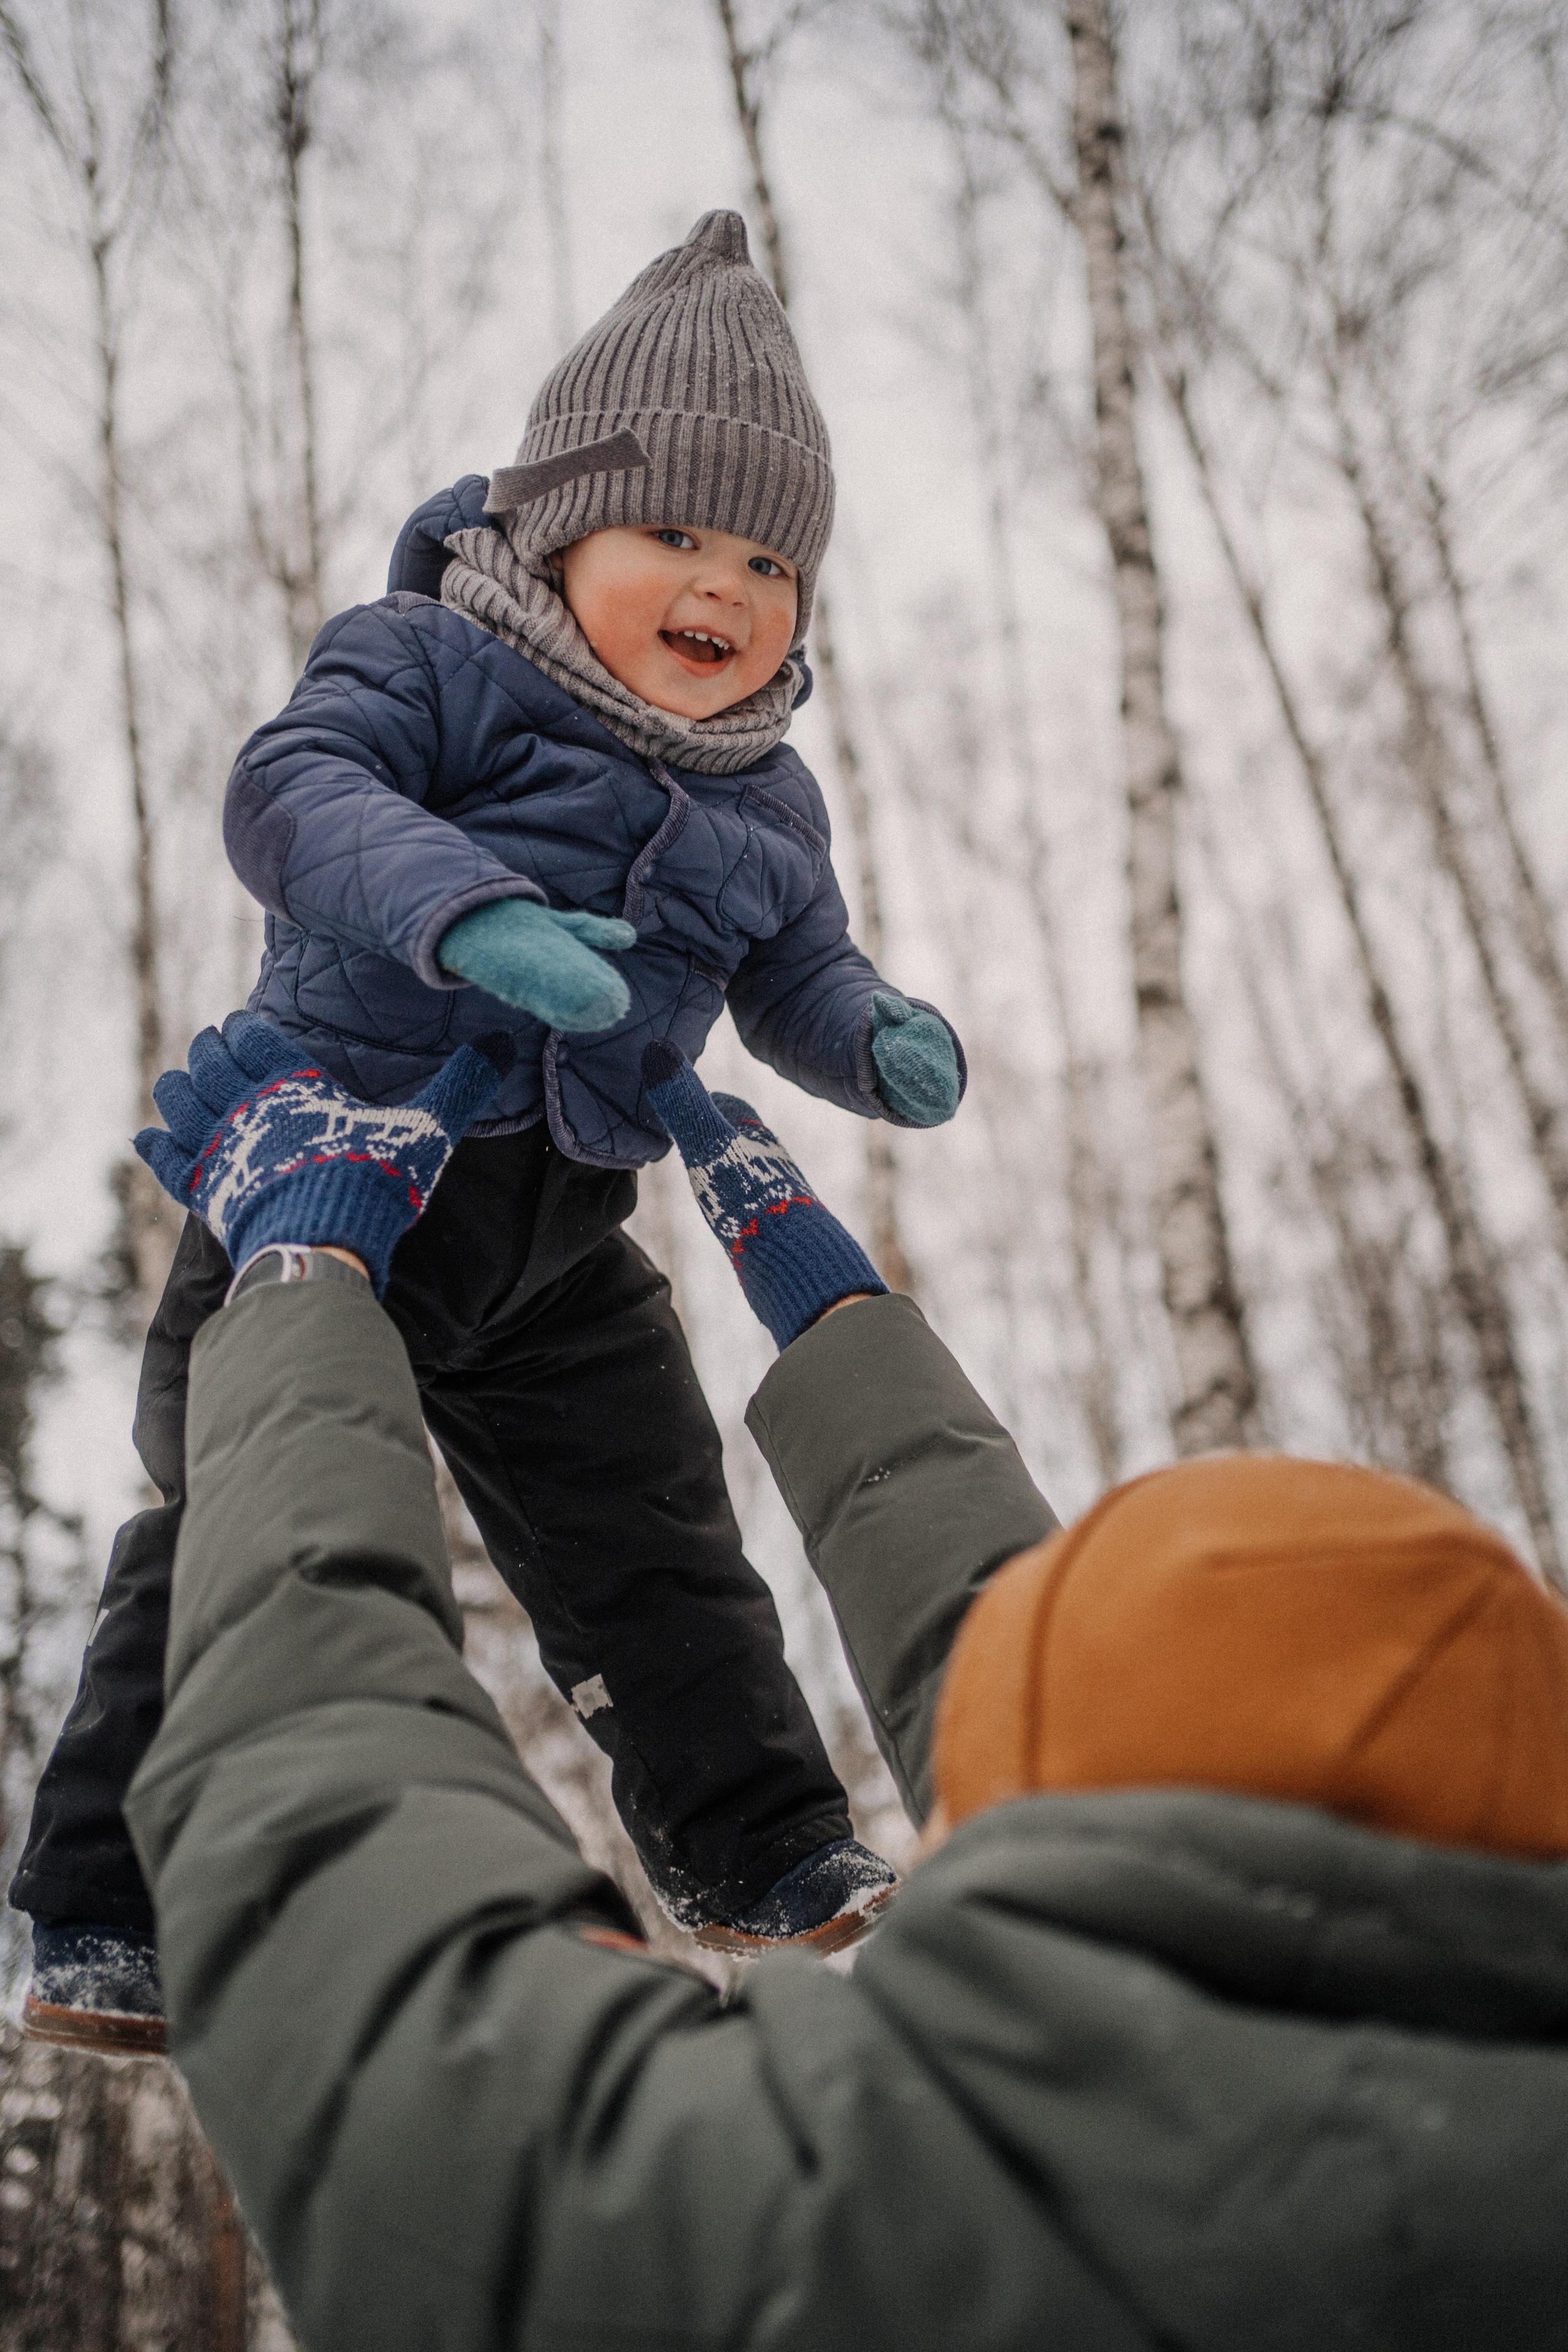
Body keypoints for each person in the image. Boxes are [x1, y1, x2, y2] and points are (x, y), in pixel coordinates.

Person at [39, 1019, 1568, 2346]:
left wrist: (300, 1278)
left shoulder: (833, 2230)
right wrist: (838, 1321)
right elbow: (1068, 1707)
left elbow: (328, 1823)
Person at [13, 208, 968, 2007]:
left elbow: (796, 965)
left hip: (558, 1229)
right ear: (553, 525)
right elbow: (291, 789)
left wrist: (871, 1037)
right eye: (673, 533)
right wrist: (467, 911)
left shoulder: (766, 797)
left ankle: (764, 1851)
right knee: (252, 1511)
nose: (723, 586)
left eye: (768, 559)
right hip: (330, 1177)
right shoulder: (432, 656)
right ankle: (108, 1906)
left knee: (657, 1537)